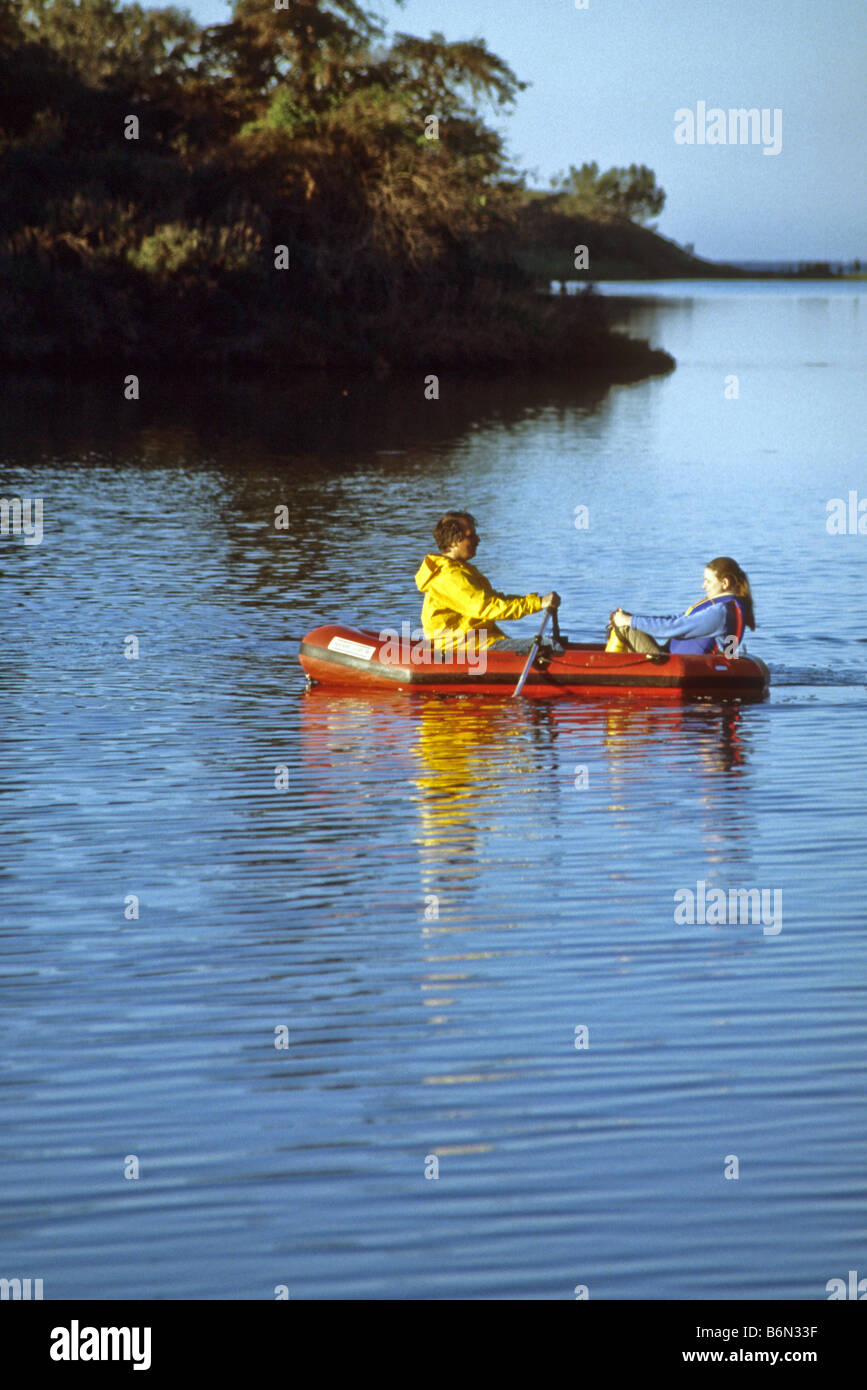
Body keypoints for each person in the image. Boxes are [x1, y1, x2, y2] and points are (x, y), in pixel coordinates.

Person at [415, 511, 560, 651]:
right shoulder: (449, 576)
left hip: (478, 641)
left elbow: (495, 600)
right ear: (453, 543)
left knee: (553, 644)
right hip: (463, 647)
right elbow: (488, 607)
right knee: (550, 646)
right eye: (471, 536)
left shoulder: (460, 570)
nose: (478, 540)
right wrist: (538, 603)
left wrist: (538, 600)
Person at [607, 557, 755, 656]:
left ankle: (606, 673)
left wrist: (629, 621)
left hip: (675, 665)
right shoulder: (721, 607)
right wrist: (630, 617)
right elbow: (675, 619)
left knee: (625, 628)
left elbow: (673, 627)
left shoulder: (721, 613)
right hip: (671, 659)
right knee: (626, 623)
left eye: (708, 581)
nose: (703, 586)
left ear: (725, 583)